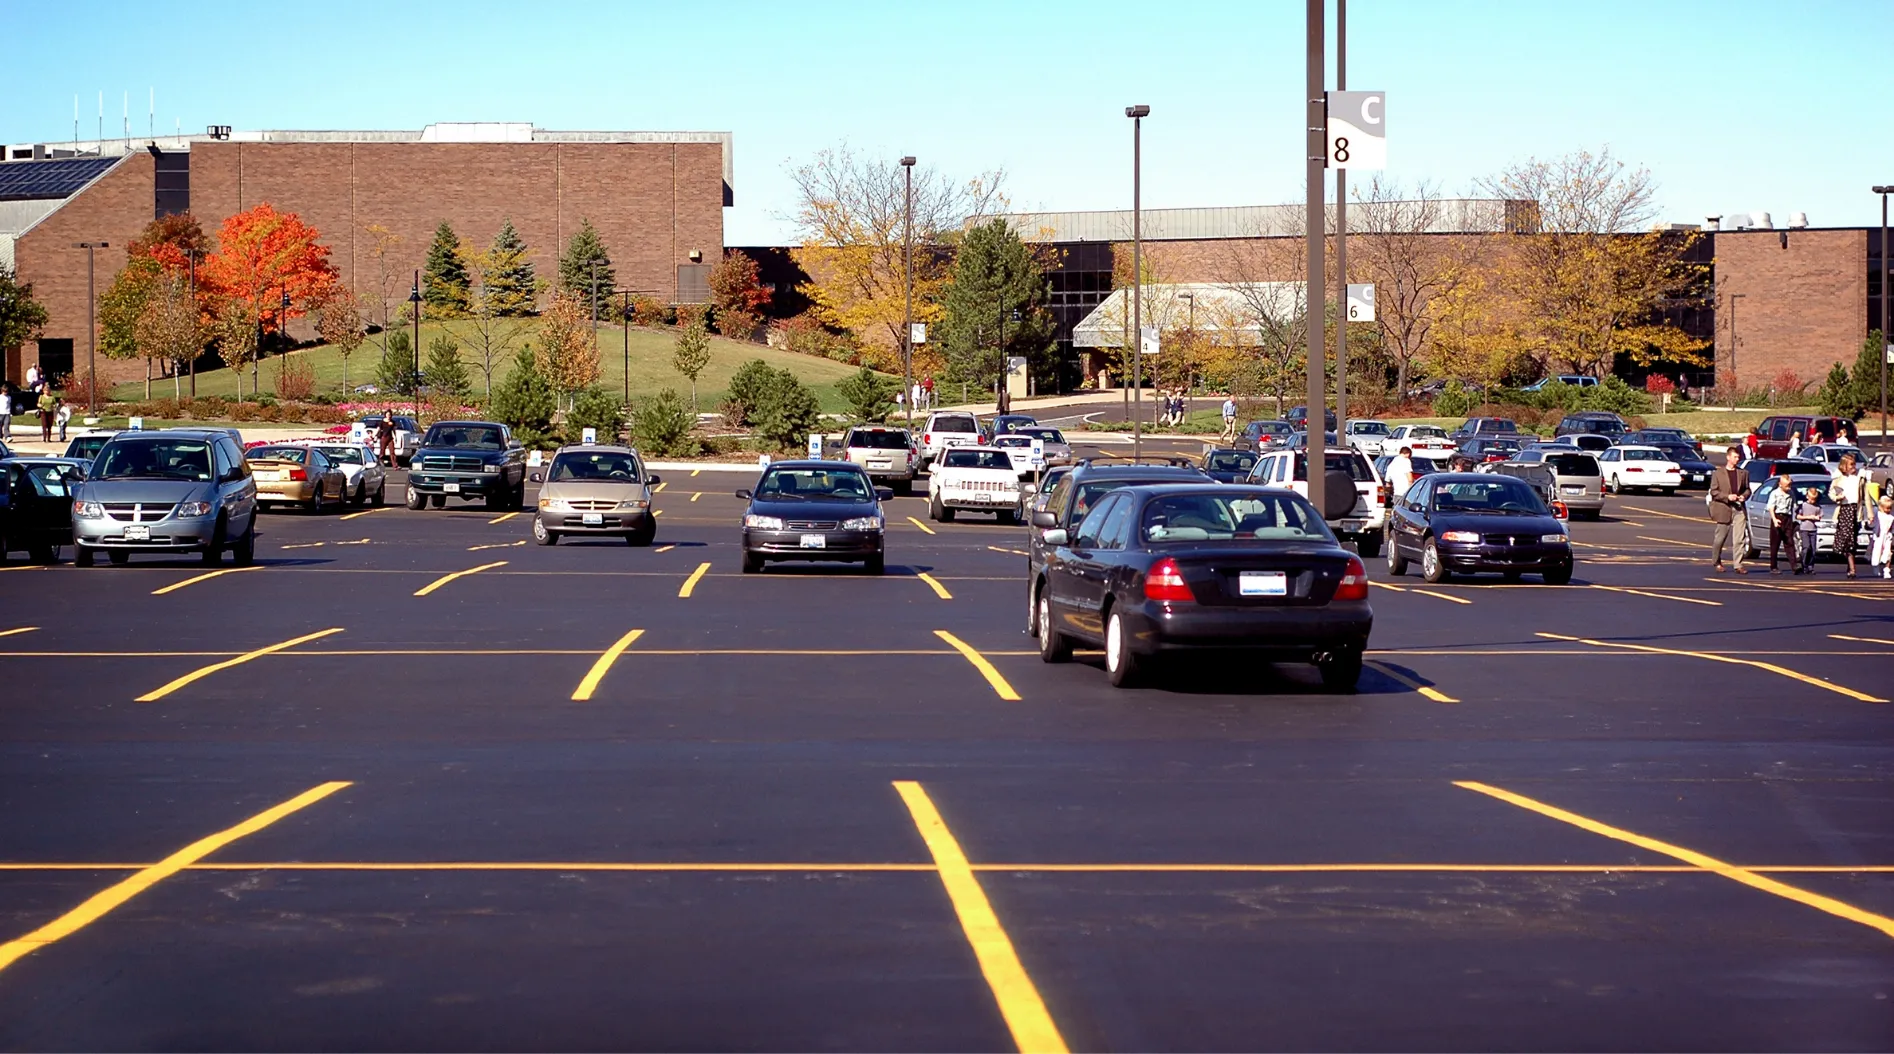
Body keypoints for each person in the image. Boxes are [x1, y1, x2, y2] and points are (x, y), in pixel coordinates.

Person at [1708, 447, 1751, 573]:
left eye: (1738, 457)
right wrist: (1727, 497)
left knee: (1739, 538)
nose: (1737, 459)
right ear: (1728, 457)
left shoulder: (1743, 473)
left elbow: (1747, 489)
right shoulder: (1718, 473)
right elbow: (1714, 492)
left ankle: (1738, 565)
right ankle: (1716, 561)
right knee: (1720, 538)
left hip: (1738, 508)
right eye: (1735, 457)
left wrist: (1744, 496)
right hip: (1724, 508)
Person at [1830, 451, 1866, 578]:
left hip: (1856, 511)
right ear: (1844, 466)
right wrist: (1838, 497)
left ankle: (1850, 565)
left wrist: (1870, 514)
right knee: (1847, 540)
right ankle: (1852, 568)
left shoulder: (1859, 478)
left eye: (1854, 464)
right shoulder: (1839, 479)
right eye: (1851, 465)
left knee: (1853, 540)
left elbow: (1865, 496)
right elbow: (1832, 494)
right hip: (1845, 510)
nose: (1853, 467)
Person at [1765, 474, 1797, 574]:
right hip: (1778, 517)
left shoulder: (1791, 493)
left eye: (1790, 485)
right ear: (1780, 484)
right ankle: (1773, 566)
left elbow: (1793, 506)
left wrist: (1793, 519)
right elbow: (1771, 507)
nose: (1789, 488)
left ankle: (1794, 566)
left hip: (1787, 518)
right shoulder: (1775, 494)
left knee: (1789, 542)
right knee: (1775, 544)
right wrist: (1774, 519)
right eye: (1787, 486)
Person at [1795, 486, 1822, 575]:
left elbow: (1820, 516)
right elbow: (1798, 516)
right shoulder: (1803, 505)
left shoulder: (1818, 507)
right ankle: (1804, 564)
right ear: (1807, 496)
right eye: (1811, 499)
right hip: (1804, 529)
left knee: (1813, 550)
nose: (1812, 501)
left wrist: (1817, 518)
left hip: (1813, 529)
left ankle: (1811, 566)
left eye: (1814, 500)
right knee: (1806, 548)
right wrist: (1808, 517)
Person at [1869, 492, 1894, 580]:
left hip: (1887, 537)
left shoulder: (1891, 517)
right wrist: (1870, 523)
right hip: (1879, 537)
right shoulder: (1878, 515)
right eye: (1887, 508)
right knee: (1877, 553)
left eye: (1890, 508)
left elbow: (1892, 527)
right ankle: (1876, 566)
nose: (1888, 510)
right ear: (1881, 507)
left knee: (1888, 553)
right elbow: (1872, 525)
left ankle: (1887, 569)